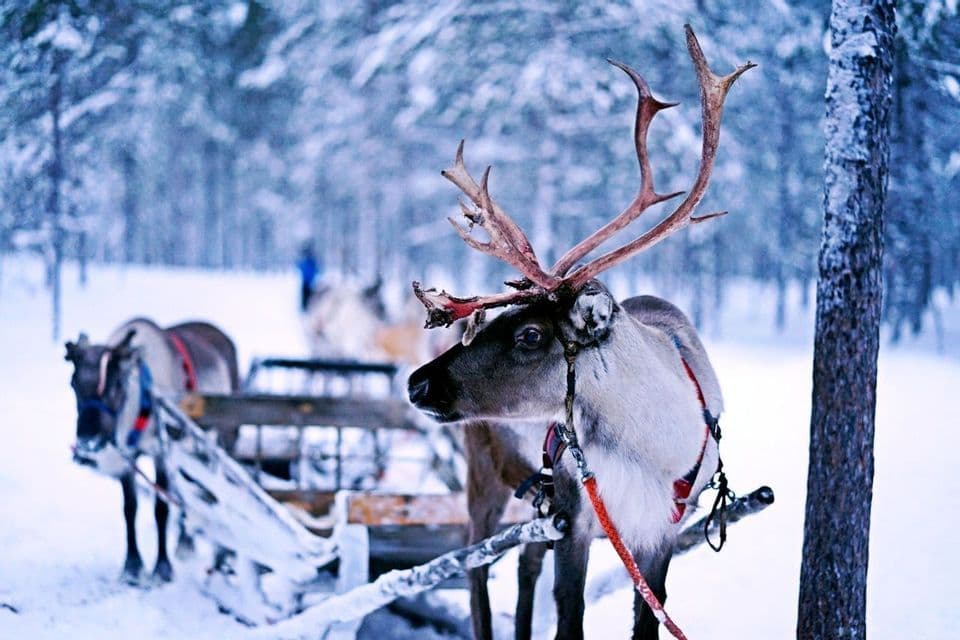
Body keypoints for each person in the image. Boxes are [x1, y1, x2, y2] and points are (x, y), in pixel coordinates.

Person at [296, 245, 320, 312]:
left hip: (308, 282)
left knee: (308, 296)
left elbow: (300, 267)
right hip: (308, 282)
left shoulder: (310, 262)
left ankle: (306, 308)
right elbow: (317, 271)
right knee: (307, 296)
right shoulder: (310, 262)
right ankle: (305, 308)